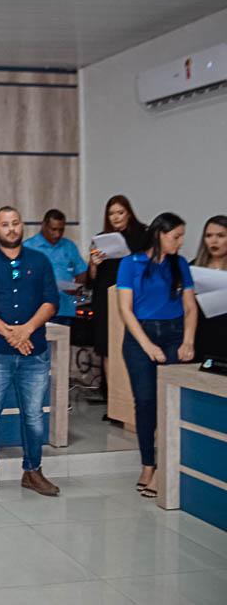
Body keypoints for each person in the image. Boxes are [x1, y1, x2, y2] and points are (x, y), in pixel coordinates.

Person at [0, 207, 60, 497]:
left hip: (34, 353)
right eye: (4, 224)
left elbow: (50, 302)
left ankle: (32, 471)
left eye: (15, 223)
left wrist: (26, 330)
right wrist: (10, 333)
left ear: (22, 226)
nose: (11, 229)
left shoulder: (40, 260)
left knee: (34, 416)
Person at [117, 213, 198, 498]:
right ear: (159, 235)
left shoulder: (180, 264)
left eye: (181, 237)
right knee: (146, 402)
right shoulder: (131, 264)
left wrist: (188, 341)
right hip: (141, 336)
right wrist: (148, 346)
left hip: (174, 334)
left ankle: (166, 466)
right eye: (175, 236)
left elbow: (190, 306)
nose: (180, 242)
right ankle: (148, 464)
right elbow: (125, 309)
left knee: (171, 404)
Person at [88, 195, 148, 399]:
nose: (115, 217)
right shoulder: (102, 238)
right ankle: (113, 399)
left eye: (120, 212)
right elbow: (92, 279)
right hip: (107, 298)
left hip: (134, 297)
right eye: (111, 213)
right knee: (107, 348)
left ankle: (133, 397)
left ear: (128, 213)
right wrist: (94, 264)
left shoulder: (142, 235)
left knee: (132, 346)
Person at [23, 209, 87, 325]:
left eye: (61, 230)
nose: (57, 234)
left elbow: (81, 272)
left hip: (64, 308)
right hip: (36, 310)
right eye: (53, 229)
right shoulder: (28, 247)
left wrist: (76, 286)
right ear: (43, 226)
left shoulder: (69, 246)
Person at [191, 215, 227, 360]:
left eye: (220, 236)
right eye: (209, 236)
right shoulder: (194, 267)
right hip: (201, 337)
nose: (214, 241)